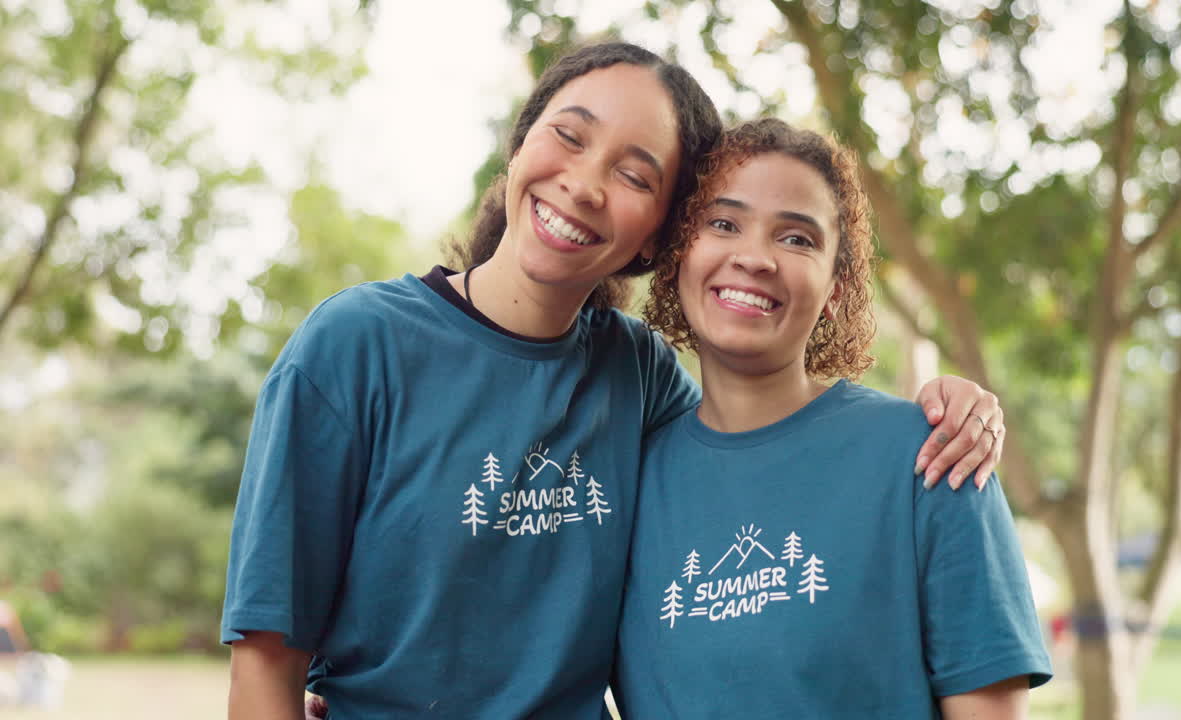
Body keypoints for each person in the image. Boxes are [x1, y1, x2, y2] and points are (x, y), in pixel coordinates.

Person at [224, 43, 1007, 719]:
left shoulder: (637, 376)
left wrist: (957, 404)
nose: (584, 184)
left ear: (655, 239)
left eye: (635, 175)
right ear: (520, 143)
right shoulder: (355, 346)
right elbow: (265, 652)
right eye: (568, 137)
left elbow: (766, 440)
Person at [613, 119, 1051, 718]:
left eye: (796, 239)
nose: (754, 257)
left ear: (836, 288)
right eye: (723, 224)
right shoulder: (626, 480)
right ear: (677, 253)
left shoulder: (933, 456)